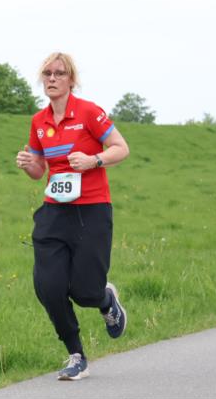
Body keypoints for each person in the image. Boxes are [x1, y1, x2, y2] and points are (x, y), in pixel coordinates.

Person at [15, 52, 130, 380]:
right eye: (47, 74)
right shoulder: (39, 121)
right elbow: (39, 172)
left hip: (92, 211)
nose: (52, 79)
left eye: (59, 73)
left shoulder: (90, 113)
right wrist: (29, 164)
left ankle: (105, 298)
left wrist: (93, 160)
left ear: (71, 80)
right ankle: (75, 354)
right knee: (48, 287)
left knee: (84, 292)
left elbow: (121, 148)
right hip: (55, 211)